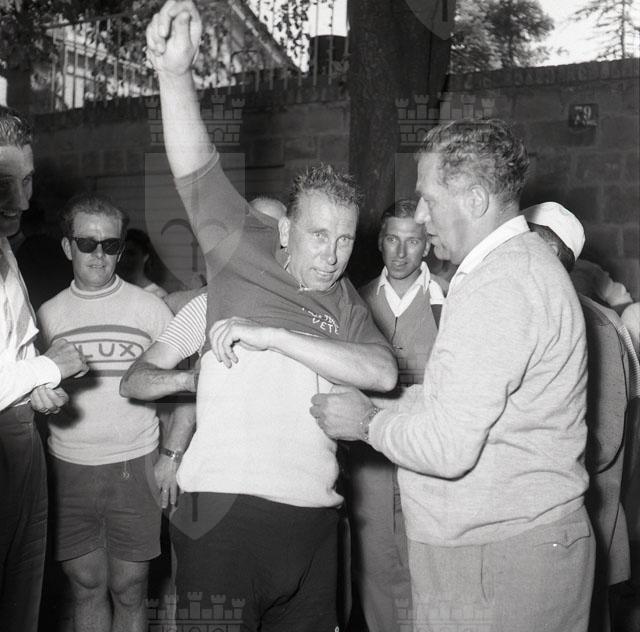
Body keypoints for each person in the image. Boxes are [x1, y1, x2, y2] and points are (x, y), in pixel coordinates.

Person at [145, 4, 397, 631]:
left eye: (345, 240)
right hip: (223, 513)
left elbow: (382, 372)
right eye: (318, 236)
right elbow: (195, 167)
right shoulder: (242, 247)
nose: (332, 256)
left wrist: (277, 337)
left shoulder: (346, 299)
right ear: (284, 230)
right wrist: (174, 75)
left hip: (314, 521)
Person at [312, 118, 594, 632]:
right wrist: (388, 404)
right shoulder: (511, 268)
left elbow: (447, 447)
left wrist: (367, 422)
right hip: (502, 550)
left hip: (499, 560)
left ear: (476, 199)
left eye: (429, 199)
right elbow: (464, 403)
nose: (421, 216)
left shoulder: (500, 286)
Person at [37, 193, 173, 632]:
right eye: (86, 243)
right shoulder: (46, 315)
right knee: (86, 585)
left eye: (110, 245)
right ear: (67, 247)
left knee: (130, 587)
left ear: (121, 248)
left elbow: (180, 394)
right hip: (69, 466)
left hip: (135, 464)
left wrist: (172, 457)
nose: (98, 254)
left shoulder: (151, 309)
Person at [525, 201, 635, 632]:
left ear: (549, 256)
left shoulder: (596, 326)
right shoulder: (533, 315)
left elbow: (603, 444)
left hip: (581, 527)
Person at [0, 105, 88, 632]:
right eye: (4, 182)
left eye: (28, 180)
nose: (23, 200)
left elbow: (11, 351)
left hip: (20, 434)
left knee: (21, 593)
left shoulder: (5, 253)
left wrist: (34, 379)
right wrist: (43, 371)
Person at [350, 198, 445, 632]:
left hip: (428, 461)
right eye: (392, 239)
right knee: (374, 571)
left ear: (428, 245)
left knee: (429, 572)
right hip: (370, 464)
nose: (401, 252)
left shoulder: (450, 300)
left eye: (413, 241)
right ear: (380, 242)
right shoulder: (354, 301)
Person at [117, 228, 168, 298]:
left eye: (131, 254)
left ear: (145, 257)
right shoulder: (121, 292)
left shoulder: (158, 295)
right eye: (123, 254)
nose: (126, 259)